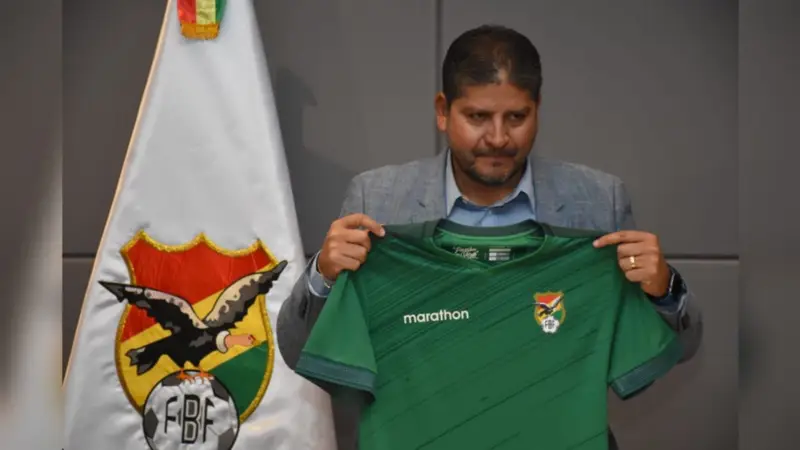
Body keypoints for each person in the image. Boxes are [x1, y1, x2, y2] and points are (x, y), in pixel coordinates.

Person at [277, 24, 703, 450]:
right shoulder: (378, 202)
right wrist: (323, 276)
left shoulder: (597, 202)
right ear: (443, 111)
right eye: (478, 117)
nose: (498, 138)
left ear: (537, 110)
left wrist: (664, 290)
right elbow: (301, 353)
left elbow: (671, 350)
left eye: (516, 117)